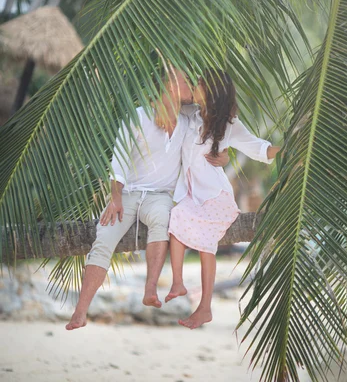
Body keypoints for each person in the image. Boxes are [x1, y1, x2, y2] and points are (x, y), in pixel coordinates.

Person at [65, 68, 229, 330]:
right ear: (171, 85)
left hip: (160, 197)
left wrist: (226, 156)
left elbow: (222, 116)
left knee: (163, 221)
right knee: (104, 238)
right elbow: (118, 159)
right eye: (187, 81)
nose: (192, 86)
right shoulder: (138, 117)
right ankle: (80, 312)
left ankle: (150, 288)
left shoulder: (189, 120)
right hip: (127, 193)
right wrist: (115, 197)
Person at [165, 69, 280, 329]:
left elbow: (258, 148)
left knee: (204, 241)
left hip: (216, 196)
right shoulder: (189, 115)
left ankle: (202, 305)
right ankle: (181, 285)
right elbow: (166, 104)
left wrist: (288, 148)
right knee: (178, 217)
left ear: (213, 92)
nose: (195, 86)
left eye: (200, 84)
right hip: (192, 195)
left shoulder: (229, 125)